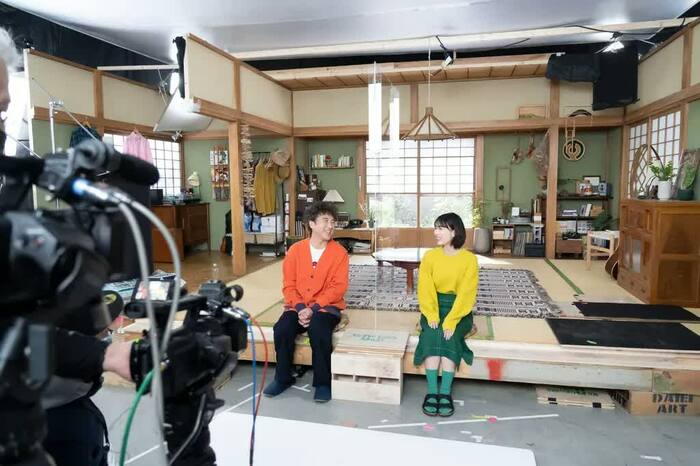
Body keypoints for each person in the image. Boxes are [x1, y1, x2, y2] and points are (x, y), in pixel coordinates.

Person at [1, 26, 134, 465]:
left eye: (3, 111)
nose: (4, 124)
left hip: (42, 414)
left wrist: (104, 350)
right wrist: (103, 352)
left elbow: (20, 329)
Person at [264, 201, 349, 402]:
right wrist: (301, 307)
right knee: (282, 328)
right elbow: (289, 285)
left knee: (319, 329)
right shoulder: (295, 250)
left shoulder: (340, 253)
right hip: (298, 306)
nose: (330, 226)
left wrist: (315, 308)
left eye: (333, 222)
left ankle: (323, 383)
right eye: (325, 221)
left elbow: (338, 287)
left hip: (327, 307)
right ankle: (283, 378)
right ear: (311, 224)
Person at [414, 212, 478, 417]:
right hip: (433, 306)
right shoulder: (430, 256)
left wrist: (451, 321)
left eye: (440, 228)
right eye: (435, 228)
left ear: (454, 231)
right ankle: (432, 391)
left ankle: (445, 392)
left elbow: (467, 294)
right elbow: (425, 289)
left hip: (459, 310)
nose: (436, 232)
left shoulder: (469, 259)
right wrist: (431, 315)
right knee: (432, 334)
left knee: (449, 336)